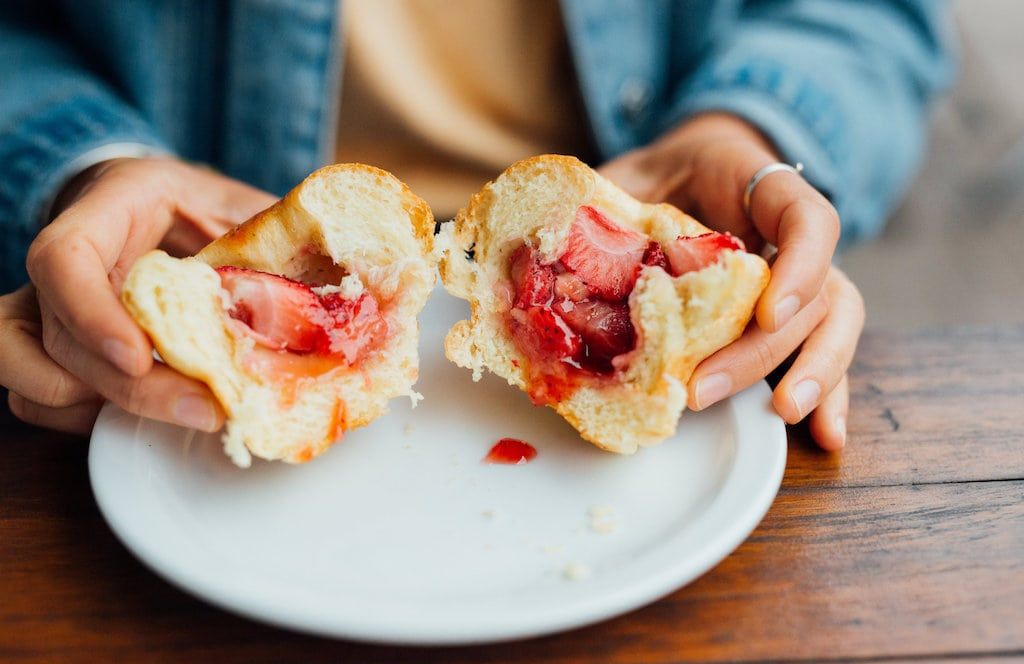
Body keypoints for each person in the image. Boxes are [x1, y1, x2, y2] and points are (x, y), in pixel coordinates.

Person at [0, 1, 954, 451]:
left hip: (645, 173)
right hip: (188, 229)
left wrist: (745, 127)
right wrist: (84, 163)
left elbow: (869, 17)